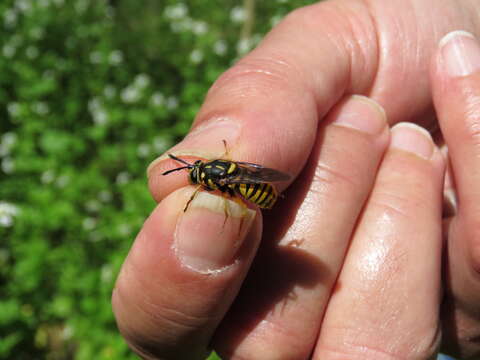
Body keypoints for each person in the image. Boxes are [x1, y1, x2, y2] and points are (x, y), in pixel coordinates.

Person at [111, 0, 480, 358]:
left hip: (259, 190)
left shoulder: (216, 176)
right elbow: (237, 184)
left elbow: (238, 184)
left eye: (196, 174)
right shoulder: (217, 173)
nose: (196, 177)